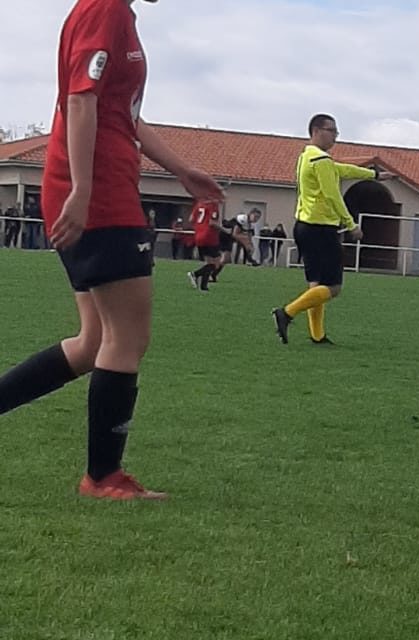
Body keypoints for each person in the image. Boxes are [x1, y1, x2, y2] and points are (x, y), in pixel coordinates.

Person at [0, 0, 224, 499]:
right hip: (101, 193)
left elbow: (120, 112)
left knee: (94, 340)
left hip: (99, 187)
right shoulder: (106, 10)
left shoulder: (114, 13)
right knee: (127, 337)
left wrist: (181, 170)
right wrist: (82, 190)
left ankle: (101, 474)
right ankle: (103, 478)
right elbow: (80, 101)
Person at [271, 114, 393, 345]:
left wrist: (374, 175)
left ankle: (317, 335)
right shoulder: (321, 160)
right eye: (332, 131)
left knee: (316, 284)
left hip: (304, 227)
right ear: (316, 131)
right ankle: (286, 313)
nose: (335, 136)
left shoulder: (307, 156)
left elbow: (343, 170)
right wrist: (350, 224)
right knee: (333, 287)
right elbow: (332, 195)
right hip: (321, 229)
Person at [187, 199, 222, 291]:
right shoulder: (213, 205)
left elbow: (191, 219)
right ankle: (195, 274)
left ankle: (204, 287)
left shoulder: (200, 203)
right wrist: (224, 230)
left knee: (209, 262)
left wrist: (199, 227)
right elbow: (212, 223)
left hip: (199, 236)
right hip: (209, 237)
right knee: (216, 263)